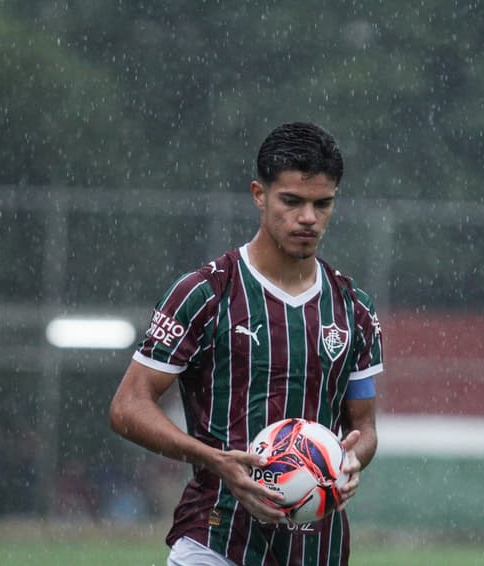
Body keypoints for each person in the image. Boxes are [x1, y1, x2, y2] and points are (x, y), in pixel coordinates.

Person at [110, 122, 382, 566]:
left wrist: (350, 460)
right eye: (292, 201)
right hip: (216, 540)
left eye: (322, 203)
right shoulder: (206, 293)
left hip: (319, 550)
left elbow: (364, 429)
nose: (308, 217)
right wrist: (215, 460)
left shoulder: (355, 309)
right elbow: (127, 407)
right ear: (259, 194)